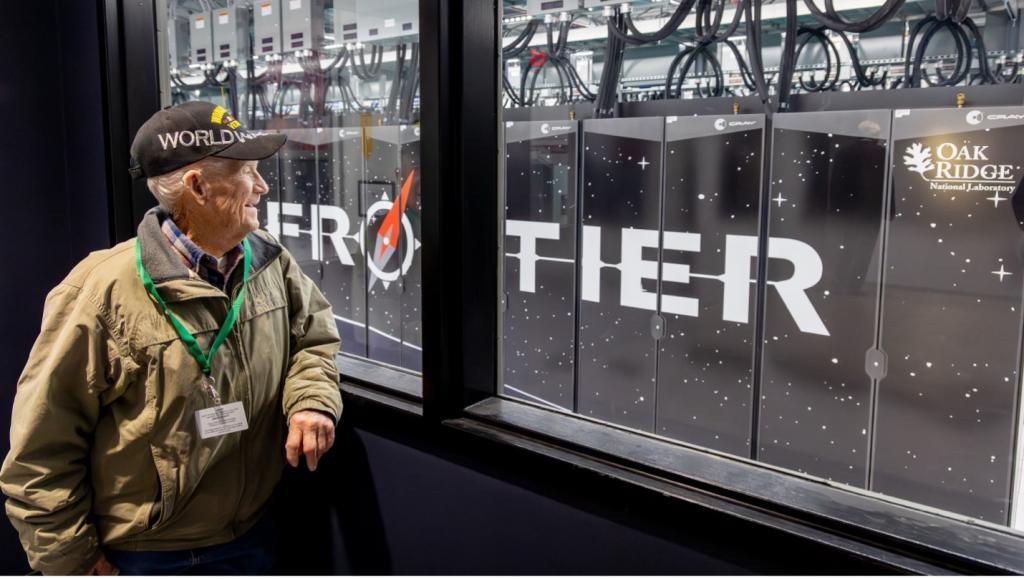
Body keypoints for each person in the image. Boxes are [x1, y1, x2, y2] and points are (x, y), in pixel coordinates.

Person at [0, 101, 342, 575]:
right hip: (152, 556)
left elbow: (315, 338)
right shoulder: (99, 294)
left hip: (257, 534)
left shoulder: (269, 259)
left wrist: (310, 399)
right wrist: (72, 564)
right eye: (246, 172)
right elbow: (41, 454)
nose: (262, 186)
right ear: (197, 187)